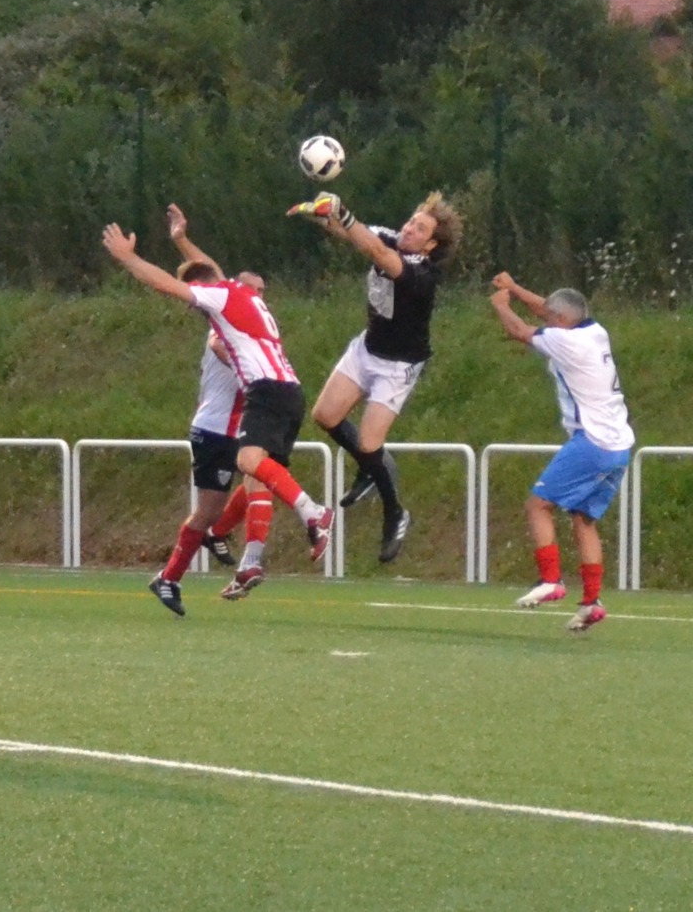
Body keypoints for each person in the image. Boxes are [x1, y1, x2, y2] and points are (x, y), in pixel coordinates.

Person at [103, 206, 333, 617]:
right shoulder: (227, 314)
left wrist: (154, 249)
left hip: (253, 409)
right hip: (217, 428)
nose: (258, 291)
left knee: (255, 477)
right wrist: (159, 249)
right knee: (218, 503)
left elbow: (192, 278)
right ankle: (185, 572)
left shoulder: (231, 300)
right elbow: (203, 287)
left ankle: (257, 554)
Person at [286, 189, 463, 564]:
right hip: (367, 349)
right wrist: (317, 212)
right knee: (325, 415)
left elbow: (379, 254)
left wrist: (345, 212)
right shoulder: (389, 237)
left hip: (398, 365)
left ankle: (396, 513)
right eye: (412, 221)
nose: (410, 229)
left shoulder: (424, 274)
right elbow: (349, 232)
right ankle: (370, 469)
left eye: (420, 229)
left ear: (431, 244)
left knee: (369, 444)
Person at [488, 272, 633, 633]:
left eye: (553, 319)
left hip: (591, 441)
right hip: (619, 445)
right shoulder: (594, 330)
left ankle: (551, 580)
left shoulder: (565, 341)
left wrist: (502, 305)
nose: (547, 321)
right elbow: (547, 310)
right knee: (583, 519)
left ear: (563, 321)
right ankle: (592, 602)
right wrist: (516, 287)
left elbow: (519, 330)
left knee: (538, 505)